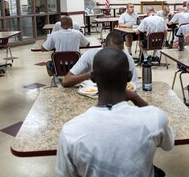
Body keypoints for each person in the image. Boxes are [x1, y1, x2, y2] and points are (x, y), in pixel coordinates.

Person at [56, 48, 174, 177]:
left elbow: (67, 174)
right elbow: (168, 145)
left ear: (93, 78)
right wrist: (135, 97)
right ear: (129, 76)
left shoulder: (70, 131)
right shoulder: (155, 117)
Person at [62, 31, 138, 88]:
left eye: (120, 52)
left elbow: (133, 85)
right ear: (104, 46)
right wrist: (89, 75)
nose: (116, 56)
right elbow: (66, 81)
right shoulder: (90, 55)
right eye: (111, 51)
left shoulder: (127, 58)